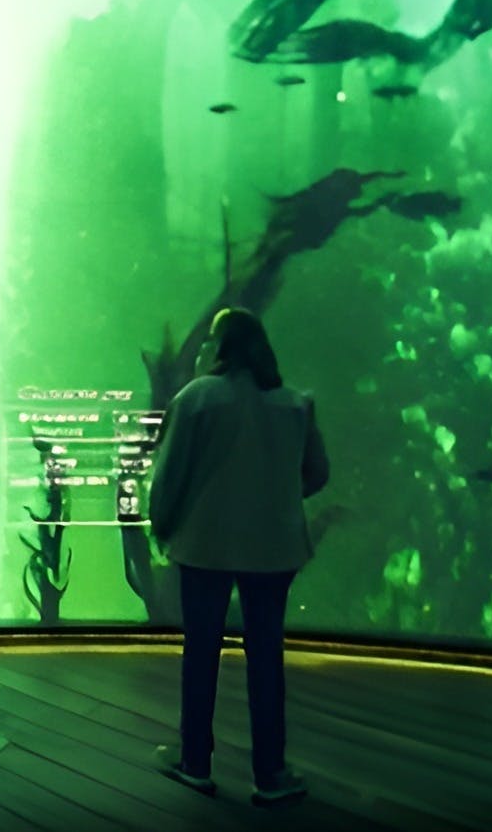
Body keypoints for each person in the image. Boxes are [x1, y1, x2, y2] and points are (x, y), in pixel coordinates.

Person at [148, 308, 329, 807]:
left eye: (210, 340)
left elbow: (170, 477)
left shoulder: (197, 400)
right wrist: (277, 495)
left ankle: (195, 763)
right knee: (267, 658)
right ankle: (270, 773)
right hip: (274, 549)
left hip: (205, 544)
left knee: (201, 652)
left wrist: (162, 524)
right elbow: (317, 474)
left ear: (222, 347)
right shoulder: (296, 405)